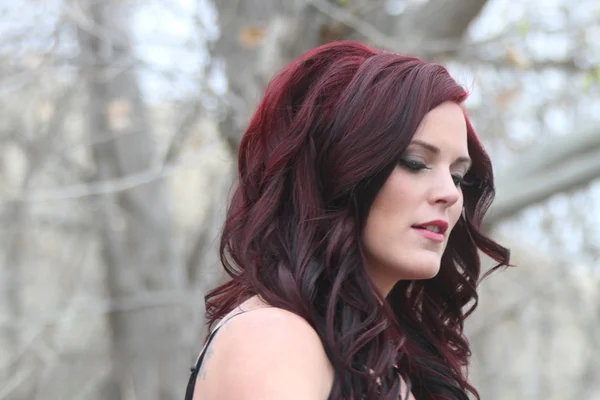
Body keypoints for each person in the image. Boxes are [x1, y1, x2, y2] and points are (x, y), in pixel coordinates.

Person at [185, 40, 510, 400]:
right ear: (338, 171)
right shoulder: (274, 337)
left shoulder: (382, 359)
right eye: (416, 163)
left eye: (458, 176)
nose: (449, 193)